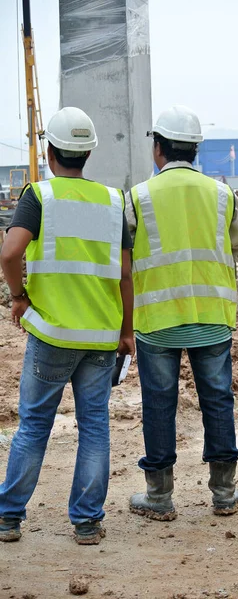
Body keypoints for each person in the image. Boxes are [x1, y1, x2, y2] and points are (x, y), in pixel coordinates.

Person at [0, 107, 134, 544]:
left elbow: (8, 254)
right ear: (88, 152)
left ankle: (8, 517)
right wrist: (126, 332)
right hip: (100, 336)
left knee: (35, 425)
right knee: (94, 426)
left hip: (53, 334)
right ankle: (87, 521)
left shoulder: (39, 196)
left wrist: (19, 297)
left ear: (52, 151)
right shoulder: (115, 202)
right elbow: (126, 275)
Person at [125, 105, 238, 520]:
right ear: (196, 150)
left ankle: (160, 497)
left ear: (158, 147)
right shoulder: (221, 194)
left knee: (159, 404)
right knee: (218, 401)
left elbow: (123, 253)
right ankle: (224, 492)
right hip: (212, 316)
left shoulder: (139, 196)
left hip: (158, 320)